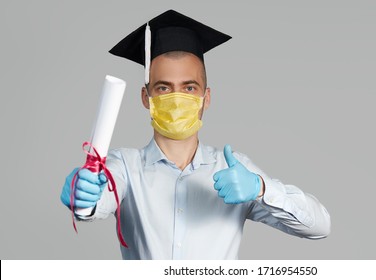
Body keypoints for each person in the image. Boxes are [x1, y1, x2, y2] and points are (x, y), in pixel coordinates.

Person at [60, 9, 331, 260]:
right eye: (164, 88)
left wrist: (260, 188)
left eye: (189, 88)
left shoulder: (233, 170)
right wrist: (82, 196)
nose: (177, 99)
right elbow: (94, 204)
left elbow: (319, 226)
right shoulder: (125, 168)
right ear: (147, 97)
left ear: (206, 97)